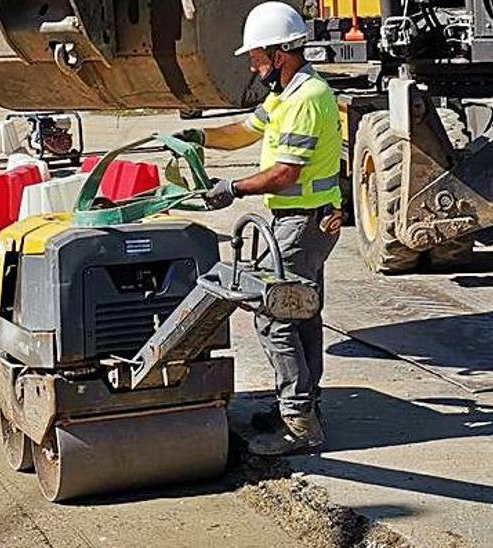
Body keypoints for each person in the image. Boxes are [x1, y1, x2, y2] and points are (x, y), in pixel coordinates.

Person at [173, 1, 344, 455]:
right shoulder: (285, 96)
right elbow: (245, 131)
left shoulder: (307, 99)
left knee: (276, 315)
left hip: (303, 223)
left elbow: (285, 173)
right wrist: (200, 137)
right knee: (302, 312)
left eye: (256, 57)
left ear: (279, 54)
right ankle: (303, 406)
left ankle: (299, 423)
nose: (252, 64)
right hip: (299, 220)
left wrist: (232, 188)